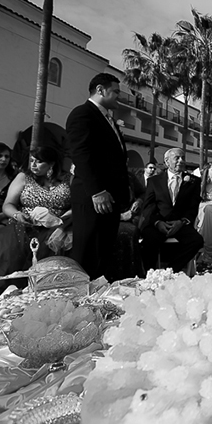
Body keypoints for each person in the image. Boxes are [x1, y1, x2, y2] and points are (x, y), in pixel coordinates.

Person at [0, 147, 72, 297]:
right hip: (23, 226)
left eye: (39, 161)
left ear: (52, 163)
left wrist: (61, 220)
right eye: (31, 161)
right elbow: (8, 205)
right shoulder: (23, 177)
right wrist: (18, 215)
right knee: (2, 251)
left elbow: (78, 206)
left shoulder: (68, 179)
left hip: (58, 229)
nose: (34, 165)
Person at [66, 72, 130, 281]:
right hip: (92, 194)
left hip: (109, 196)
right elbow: (81, 154)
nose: (119, 96)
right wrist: (97, 191)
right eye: (116, 92)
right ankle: (78, 298)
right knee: (87, 250)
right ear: (100, 90)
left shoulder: (107, 118)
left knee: (102, 251)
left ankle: (97, 297)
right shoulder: (83, 114)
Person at [139, 148, 203, 273]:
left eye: (183, 158)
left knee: (196, 241)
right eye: (177, 158)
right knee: (148, 240)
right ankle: (149, 274)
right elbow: (148, 207)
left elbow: (193, 207)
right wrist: (158, 223)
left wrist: (182, 222)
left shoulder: (194, 182)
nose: (181, 161)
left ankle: (170, 271)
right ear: (167, 162)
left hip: (180, 224)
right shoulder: (154, 181)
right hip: (159, 222)